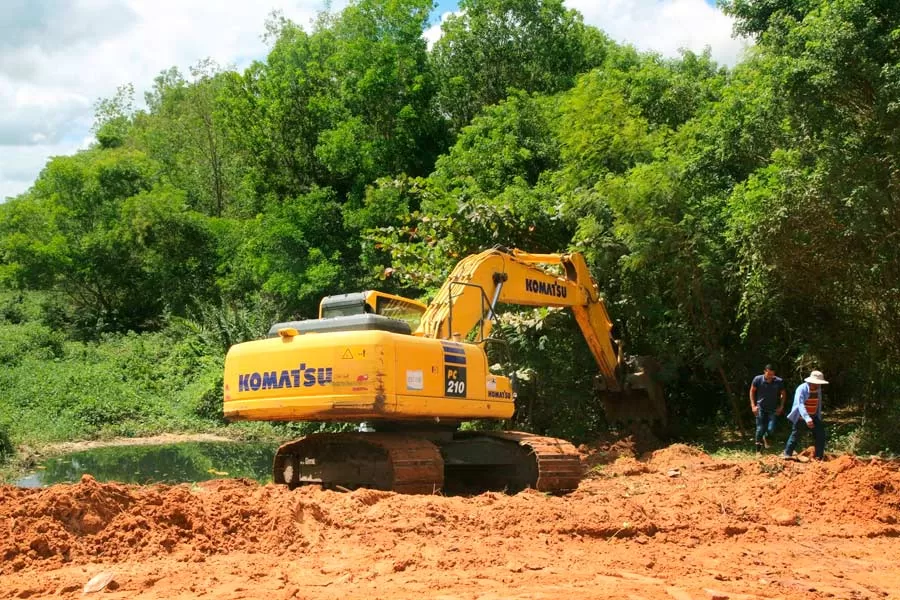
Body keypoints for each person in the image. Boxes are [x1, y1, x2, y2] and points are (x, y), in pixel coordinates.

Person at [783, 370, 829, 460]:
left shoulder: (818, 389)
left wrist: (817, 417)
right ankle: (787, 454)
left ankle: (818, 456)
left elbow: (818, 404)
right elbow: (800, 404)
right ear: (810, 381)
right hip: (801, 417)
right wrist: (807, 418)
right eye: (816, 383)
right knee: (796, 435)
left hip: (813, 416)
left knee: (821, 434)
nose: (817, 385)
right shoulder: (802, 389)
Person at [749, 364, 786, 452]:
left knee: (771, 429)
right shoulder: (757, 379)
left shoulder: (779, 381)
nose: (770, 376)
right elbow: (752, 391)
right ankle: (758, 451)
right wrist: (753, 405)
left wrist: (781, 406)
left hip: (773, 409)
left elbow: (783, 393)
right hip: (760, 407)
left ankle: (766, 438)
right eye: (768, 374)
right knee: (760, 428)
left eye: (772, 374)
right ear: (764, 371)